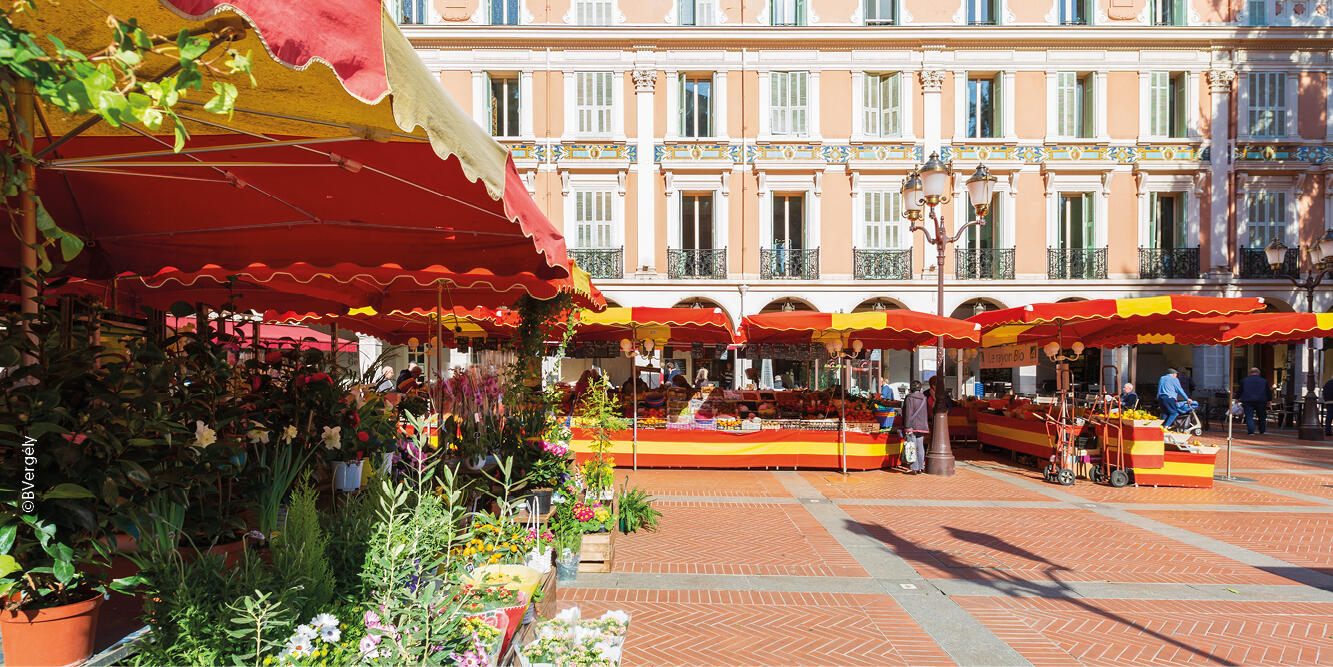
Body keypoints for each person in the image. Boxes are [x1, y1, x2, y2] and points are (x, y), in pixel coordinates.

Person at [900, 381, 929, 474]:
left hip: (912, 426)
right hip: (922, 426)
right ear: (920, 389)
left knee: (912, 447)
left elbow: (908, 412)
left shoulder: (909, 398)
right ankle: (921, 467)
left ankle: (914, 468)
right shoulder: (924, 398)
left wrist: (907, 426)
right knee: (920, 447)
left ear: (911, 389)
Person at [1238, 367, 1273, 435]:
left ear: (1250, 373)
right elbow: (1268, 391)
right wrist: (1270, 400)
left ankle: (1251, 431)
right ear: (1258, 373)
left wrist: (1237, 398)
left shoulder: (1244, 380)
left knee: (1249, 416)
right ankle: (1262, 430)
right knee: (1262, 416)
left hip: (1248, 400)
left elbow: (1240, 391)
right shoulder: (1264, 381)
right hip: (1261, 400)